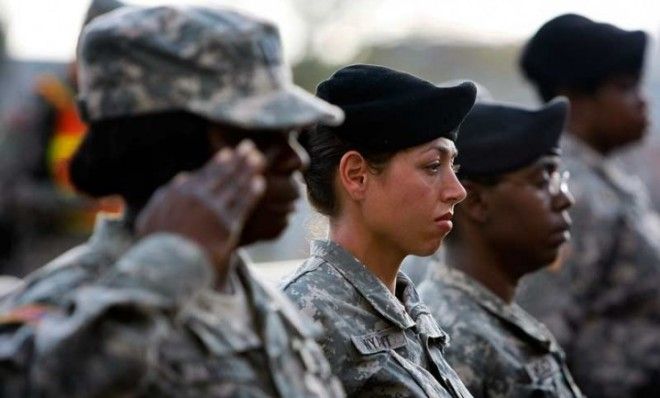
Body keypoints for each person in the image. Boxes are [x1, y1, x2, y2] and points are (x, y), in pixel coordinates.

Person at [0, 5, 346, 397]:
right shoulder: (64, 310)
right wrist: (168, 265)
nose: (295, 159)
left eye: (290, 134)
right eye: (260, 137)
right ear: (172, 148)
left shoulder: (265, 303)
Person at [282, 64, 476, 397]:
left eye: (452, 166)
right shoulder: (303, 318)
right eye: (432, 166)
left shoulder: (409, 307)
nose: (457, 190)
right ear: (356, 175)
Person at [517, 14, 660, 397]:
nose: (642, 102)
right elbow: (542, 331)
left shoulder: (604, 178)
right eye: (626, 88)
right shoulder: (570, 191)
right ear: (575, 99)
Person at [418, 98, 582, 397]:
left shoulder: (490, 316)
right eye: (542, 179)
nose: (564, 199)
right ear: (478, 202)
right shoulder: (455, 337)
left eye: (558, 178)